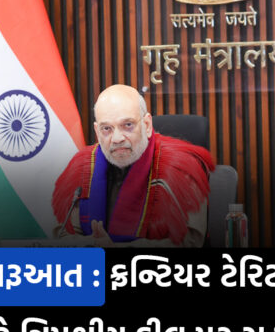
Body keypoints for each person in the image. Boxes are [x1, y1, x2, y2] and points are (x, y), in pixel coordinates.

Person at [52, 84, 215, 247]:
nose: (117, 138)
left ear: (147, 125)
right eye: (106, 128)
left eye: (127, 125)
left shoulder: (180, 168)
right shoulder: (83, 167)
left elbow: (189, 242)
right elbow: (65, 233)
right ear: (97, 131)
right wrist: (91, 245)